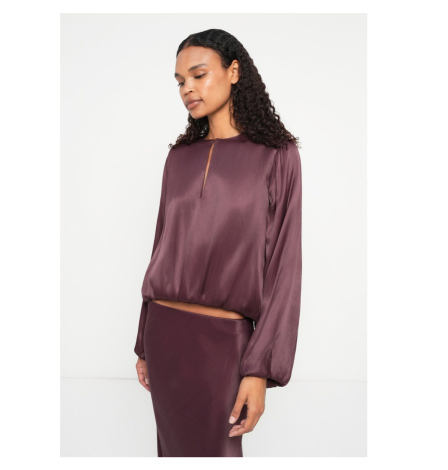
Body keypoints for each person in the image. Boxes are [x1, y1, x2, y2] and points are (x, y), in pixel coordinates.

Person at [134, 28, 303, 457]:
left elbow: (284, 268)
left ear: (233, 72)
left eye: (198, 75)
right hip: (163, 334)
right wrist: (143, 342)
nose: (187, 89)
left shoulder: (277, 155)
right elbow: (161, 247)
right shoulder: (178, 158)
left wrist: (259, 370)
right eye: (179, 81)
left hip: (224, 342)